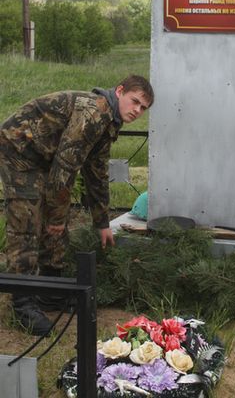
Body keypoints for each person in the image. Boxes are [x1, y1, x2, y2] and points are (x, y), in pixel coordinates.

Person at [0, 74, 154, 336]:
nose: (137, 110)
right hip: (19, 149)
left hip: (45, 155)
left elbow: (96, 173)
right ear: (119, 92)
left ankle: (52, 293)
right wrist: (57, 218)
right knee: (28, 220)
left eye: (143, 108)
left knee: (55, 217)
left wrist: (102, 222)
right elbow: (65, 169)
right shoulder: (94, 113)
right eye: (135, 101)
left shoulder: (109, 122)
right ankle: (22, 303)